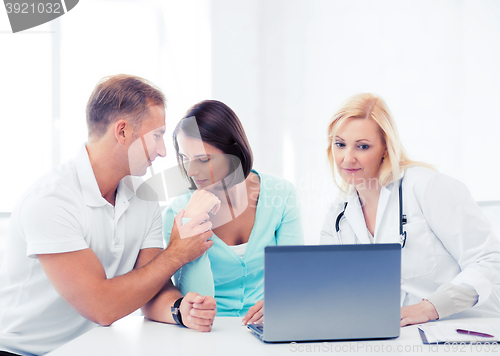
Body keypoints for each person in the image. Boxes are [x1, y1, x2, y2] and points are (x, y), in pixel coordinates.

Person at [0, 75, 219, 356]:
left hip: (89, 348)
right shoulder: (51, 201)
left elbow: (152, 284)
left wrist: (180, 310)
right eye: (157, 136)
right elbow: (101, 307)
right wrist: (178, 252)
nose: (163, 151)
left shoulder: (144, 199)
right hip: (22, 352)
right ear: (123, 131)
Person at [320, 93, 500, 326]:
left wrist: (431, 308)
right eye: (340, 144)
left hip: (464, 328)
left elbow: (489, 260)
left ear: (386, 147)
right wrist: (288, 303)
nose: (347, 158)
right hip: (396, 334)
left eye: (362, 146)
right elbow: (327, 284)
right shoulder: (338, 214)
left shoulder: (427, 186)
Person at [162, 100, 304, 325]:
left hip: (267, 325)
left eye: (203, 159)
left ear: (234, 153)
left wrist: (281, 301)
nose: (191, 171)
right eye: (185, 159)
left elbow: (294, 276)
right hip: (209, 330)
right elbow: (198, 301)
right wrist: (193, 222)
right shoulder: (179, 212)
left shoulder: (282, 195)